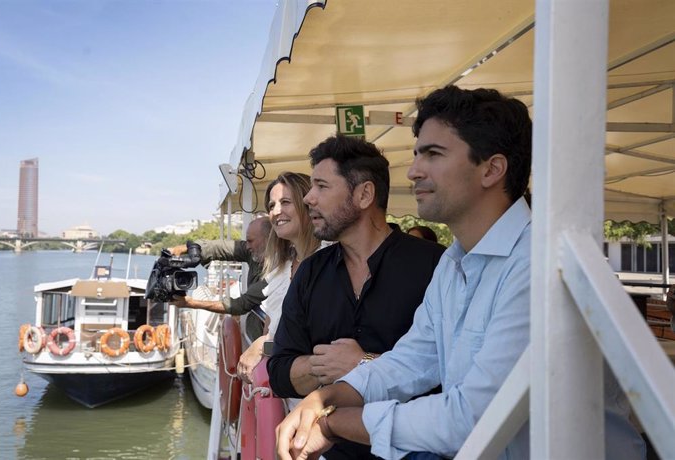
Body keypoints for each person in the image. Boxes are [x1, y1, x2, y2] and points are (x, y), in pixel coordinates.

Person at [275, 86, 646, 460]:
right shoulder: (453, 264)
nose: (414, 170)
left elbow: (471, 417)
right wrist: (326, 397)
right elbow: (411, 360)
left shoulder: (542, 262)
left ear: (491, 169)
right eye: (418, 153)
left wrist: (330, 423)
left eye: (433, 154)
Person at [268, 135, 445, 459]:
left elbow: (454, 379)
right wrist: (326, 367)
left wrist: (363, 364)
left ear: (364, 194)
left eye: (321, 186)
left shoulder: (437, 265)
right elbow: (279, 374)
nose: (308, 198)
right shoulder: (310, 273)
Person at [236, 172, 321, 383]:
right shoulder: (281, 270)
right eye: (271, 205)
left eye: (285, 202)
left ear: (307, 203)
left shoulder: (330, 261)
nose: (276, 211)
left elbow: (314, 341)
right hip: (285, 392)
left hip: (320, 397)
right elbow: (271, 327)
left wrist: (262, 345)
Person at [170, 216, 272, 339]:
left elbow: (242, 304)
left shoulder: (277, 270)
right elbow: (221, 248)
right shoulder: (253, 251)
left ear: (268, 240)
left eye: (250, 241)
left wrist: (192, 303)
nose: (247, 246)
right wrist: (189, 248)